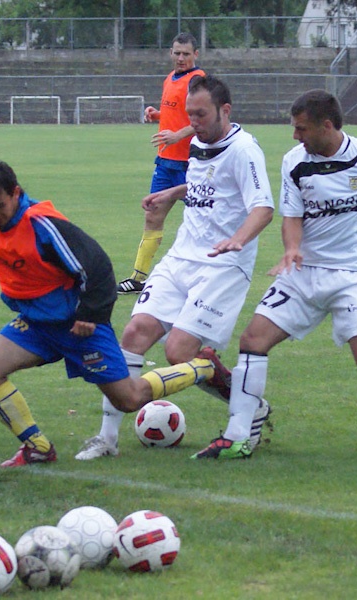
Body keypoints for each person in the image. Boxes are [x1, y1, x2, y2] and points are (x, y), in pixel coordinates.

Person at [0, 137, 225, 468]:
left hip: (78, 326)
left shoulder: (43, 226)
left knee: (129, 398)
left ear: (16, 193)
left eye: (0, 206)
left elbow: (98, 265)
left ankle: (202, 368)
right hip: (37, 325)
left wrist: (90, 314)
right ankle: (38, 448)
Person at [192, 89, 357, 460]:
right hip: (303, 273)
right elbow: (292, 215)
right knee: (252, 340)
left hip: (353, 277)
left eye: (301, 129)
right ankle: (237, 438)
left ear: (326, 126)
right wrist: (292, 248)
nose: (295, 136)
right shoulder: (294, 161)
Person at [76, 75, 275, 461]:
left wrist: (238, 239)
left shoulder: (244, 149)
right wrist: (173, 192)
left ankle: (247, 406)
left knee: (180, 351)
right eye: (190, 114)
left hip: (223, 263)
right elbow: (205, 184)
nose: (193, 123)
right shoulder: (200, 142)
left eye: (201, 115)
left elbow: (263, 208)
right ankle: (107, 440)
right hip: (183, 254)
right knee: (134, 333)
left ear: (225, 111)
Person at [117, 32, 205, 295]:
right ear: (171, 52)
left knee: (202, 219)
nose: (180, 58)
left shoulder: (197, 80)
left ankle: (206, 275)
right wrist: (159, 115)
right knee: (153, 214)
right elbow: (176, 114)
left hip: (188, 164)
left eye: (186, 54)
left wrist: (178, 135)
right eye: (177, 53)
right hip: (165, 161)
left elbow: (204, 118)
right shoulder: (170, 78)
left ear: (195, 55)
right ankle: (138, 278)